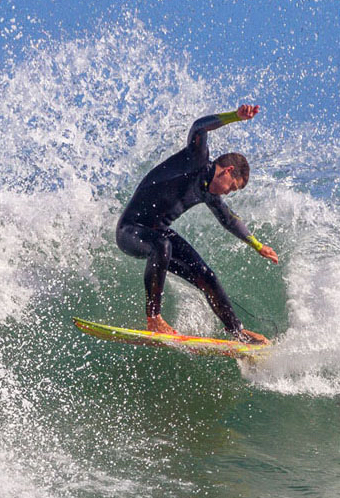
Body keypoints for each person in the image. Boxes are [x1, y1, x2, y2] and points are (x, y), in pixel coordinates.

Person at [116, 104, 279, 344]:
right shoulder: (197, 159)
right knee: (162, 244)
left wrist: (257, 245)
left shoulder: (209, 194)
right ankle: (153, 318)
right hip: (130, 230)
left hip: (157, 235)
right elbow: (198, 127)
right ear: (228, 171)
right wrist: (235, 116)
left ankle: (237, 332)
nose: (227, 194)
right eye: (231, 187)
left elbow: (231, 221)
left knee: (206, 276)